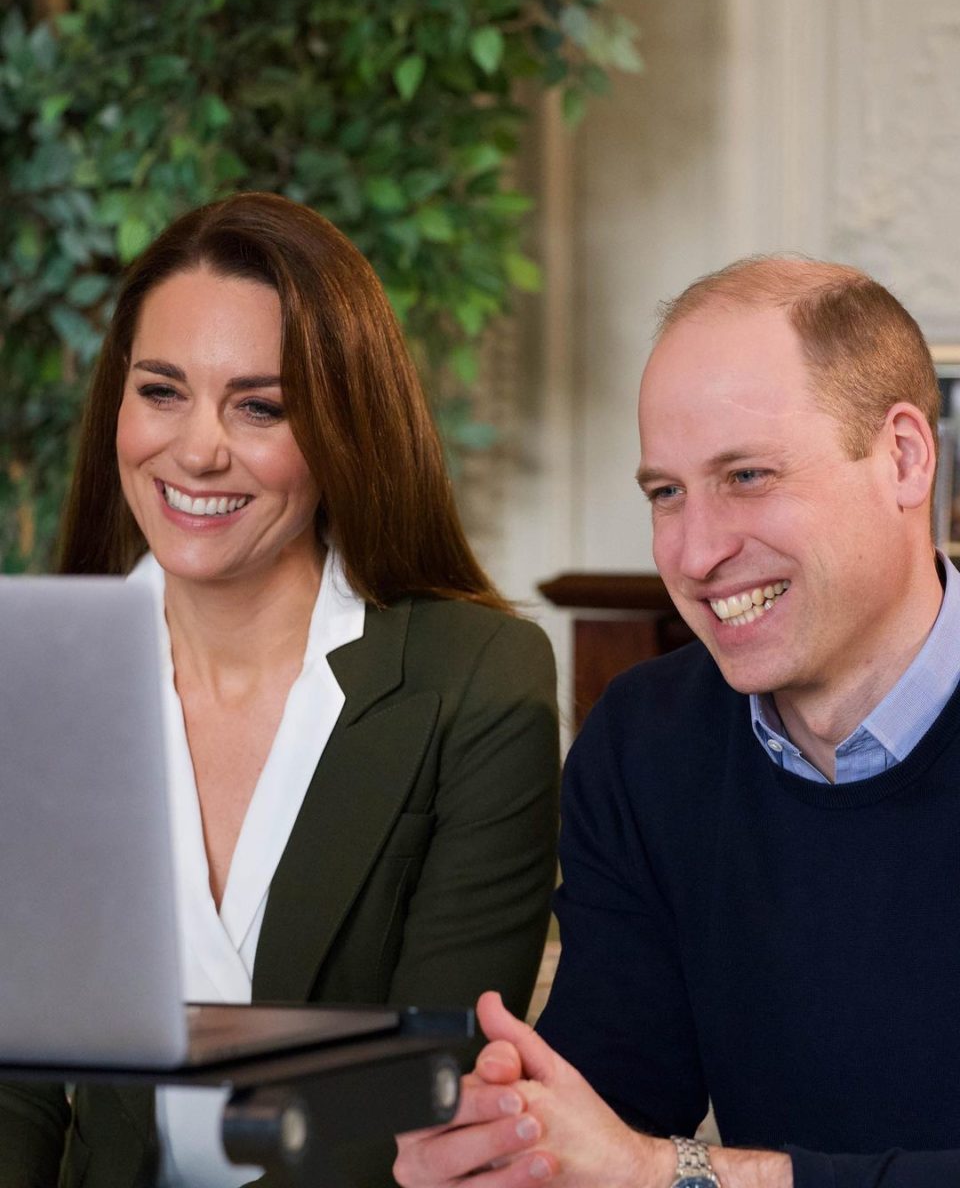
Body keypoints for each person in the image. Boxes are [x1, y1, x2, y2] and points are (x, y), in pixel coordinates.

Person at [0, 192, 559, 1188]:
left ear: (345, 426)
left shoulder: (481, 683)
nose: (198, 448)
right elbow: (17, 1079)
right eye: (161, 391)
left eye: (260, 406)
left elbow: (433, 1088)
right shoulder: (43, 678)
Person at [394, 256, 960, 1188]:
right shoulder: (648, 742)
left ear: (902, 457)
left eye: (747, 475)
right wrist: (506, 1139)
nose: (695, 553)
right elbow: (608, 1114)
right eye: (666, 493)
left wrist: (677, 1175)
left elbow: (640, 1166)